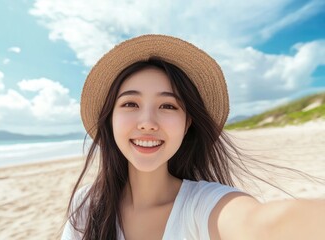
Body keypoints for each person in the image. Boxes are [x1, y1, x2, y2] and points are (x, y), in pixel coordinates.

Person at [61, 34, 325, 240]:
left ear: (188, 123)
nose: (148, 123)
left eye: (168, 106)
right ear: (110, 118)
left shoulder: (204, 205)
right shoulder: (86, 206)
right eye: (130, 104)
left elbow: (264, 225)